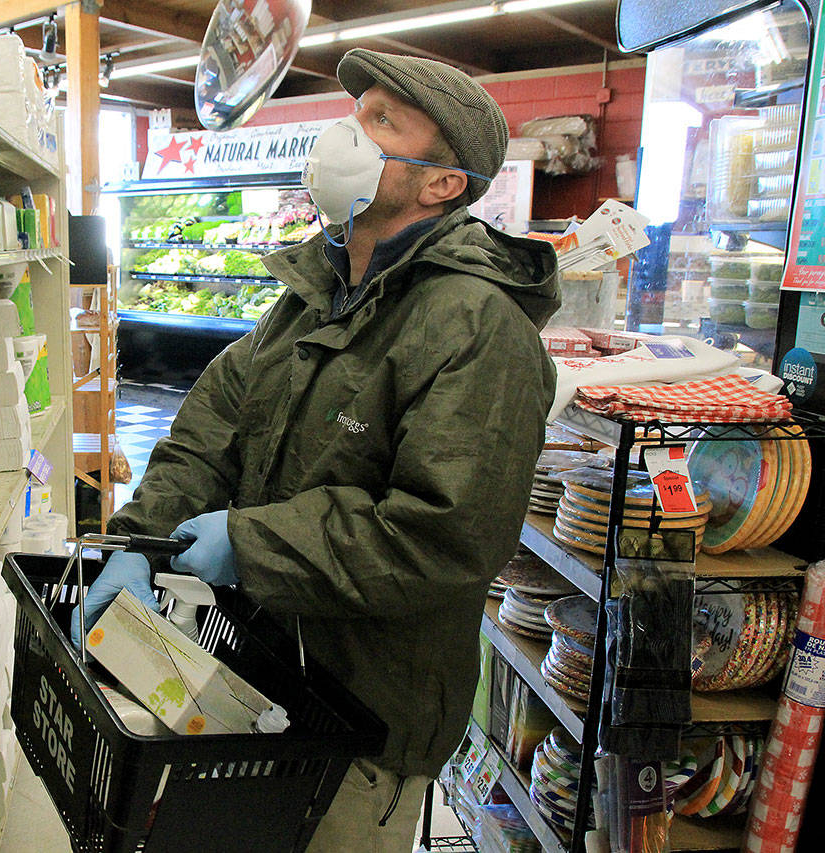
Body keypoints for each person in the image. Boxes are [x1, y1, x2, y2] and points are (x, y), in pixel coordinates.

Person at [74, 49, 560, 849]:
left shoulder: (479, 328)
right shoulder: (312, 297)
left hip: (367, 725)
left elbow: (443, 535)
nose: (347, 133)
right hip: (264, 676)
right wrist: (136, 541)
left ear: (443, 183)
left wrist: (250, 542)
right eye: (354, 112)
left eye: (382, 121)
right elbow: (208, 433)